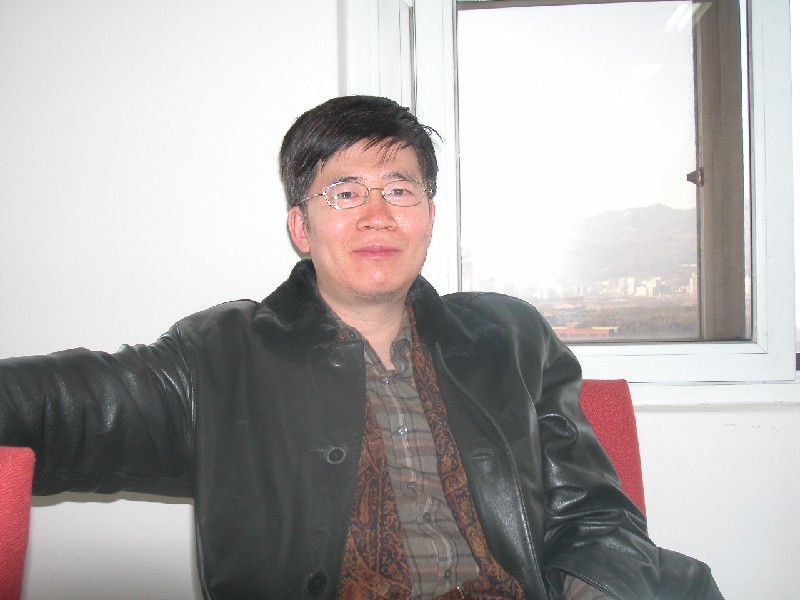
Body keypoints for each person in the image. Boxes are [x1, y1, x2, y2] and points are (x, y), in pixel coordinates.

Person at [0, 95, 723, 600]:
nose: (377, 214)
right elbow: (56, 408)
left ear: (430, 216)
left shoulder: (511, 338)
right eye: (344, 192)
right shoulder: (221, 355)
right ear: (301, 226)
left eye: (399, 191)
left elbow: (594, 516)